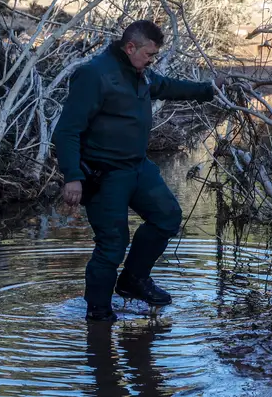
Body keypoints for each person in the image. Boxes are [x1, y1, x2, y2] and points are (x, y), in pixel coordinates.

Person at [52, 20, 217, 322]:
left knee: (167, 217)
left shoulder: (140, 73)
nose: (151, 60)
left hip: (138, 167)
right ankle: (98, 312)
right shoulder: (94, 75)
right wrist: (72, 176)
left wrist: (209, 91)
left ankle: (133, 280)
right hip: (104, 175)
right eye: (149, 54)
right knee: (113, 244)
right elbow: (66, 131)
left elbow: (167, 86)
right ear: (130, 47)